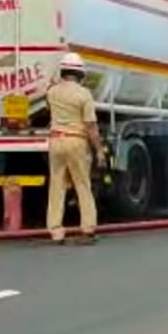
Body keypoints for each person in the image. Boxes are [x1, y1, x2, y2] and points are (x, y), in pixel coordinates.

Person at [45, 52, 105, 245]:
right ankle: (88, 229)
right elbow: (91, 126)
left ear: (63, 71)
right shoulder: (83, 94)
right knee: (82, 185)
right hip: (76, 141)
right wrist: (99, 150)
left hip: (55, 141)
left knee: (57, 187)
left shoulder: (52, 92)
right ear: (81, 74)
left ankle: (55, 231)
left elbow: (48, 105)